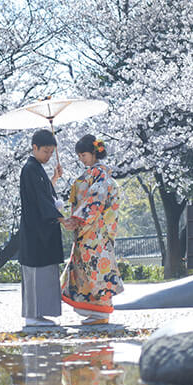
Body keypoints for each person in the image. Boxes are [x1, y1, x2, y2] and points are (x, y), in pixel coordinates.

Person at [60, 134, 123, 325]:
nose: (81, 159)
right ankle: (95, 311)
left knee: (96, 268)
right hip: (92, 230)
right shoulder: (97, 174)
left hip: (94, 231)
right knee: (89, 268)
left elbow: (95, 200)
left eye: (84, 155)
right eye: (79, 156)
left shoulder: (100, 176)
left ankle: (101, 312)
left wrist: (77, 219)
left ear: (94, 153)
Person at [19, 128, 65, 328]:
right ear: (34, 148)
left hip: (39, 229)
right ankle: (33, 315)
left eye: (50, 151)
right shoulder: (30, 169)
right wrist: (61, 219)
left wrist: (53, 179)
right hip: (36, 230)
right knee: (36, 272)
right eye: (45, 151)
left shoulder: (36, 169)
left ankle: (38, 314)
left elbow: (44, 195)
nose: (48, 155)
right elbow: (41, 201)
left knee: (43, 272)